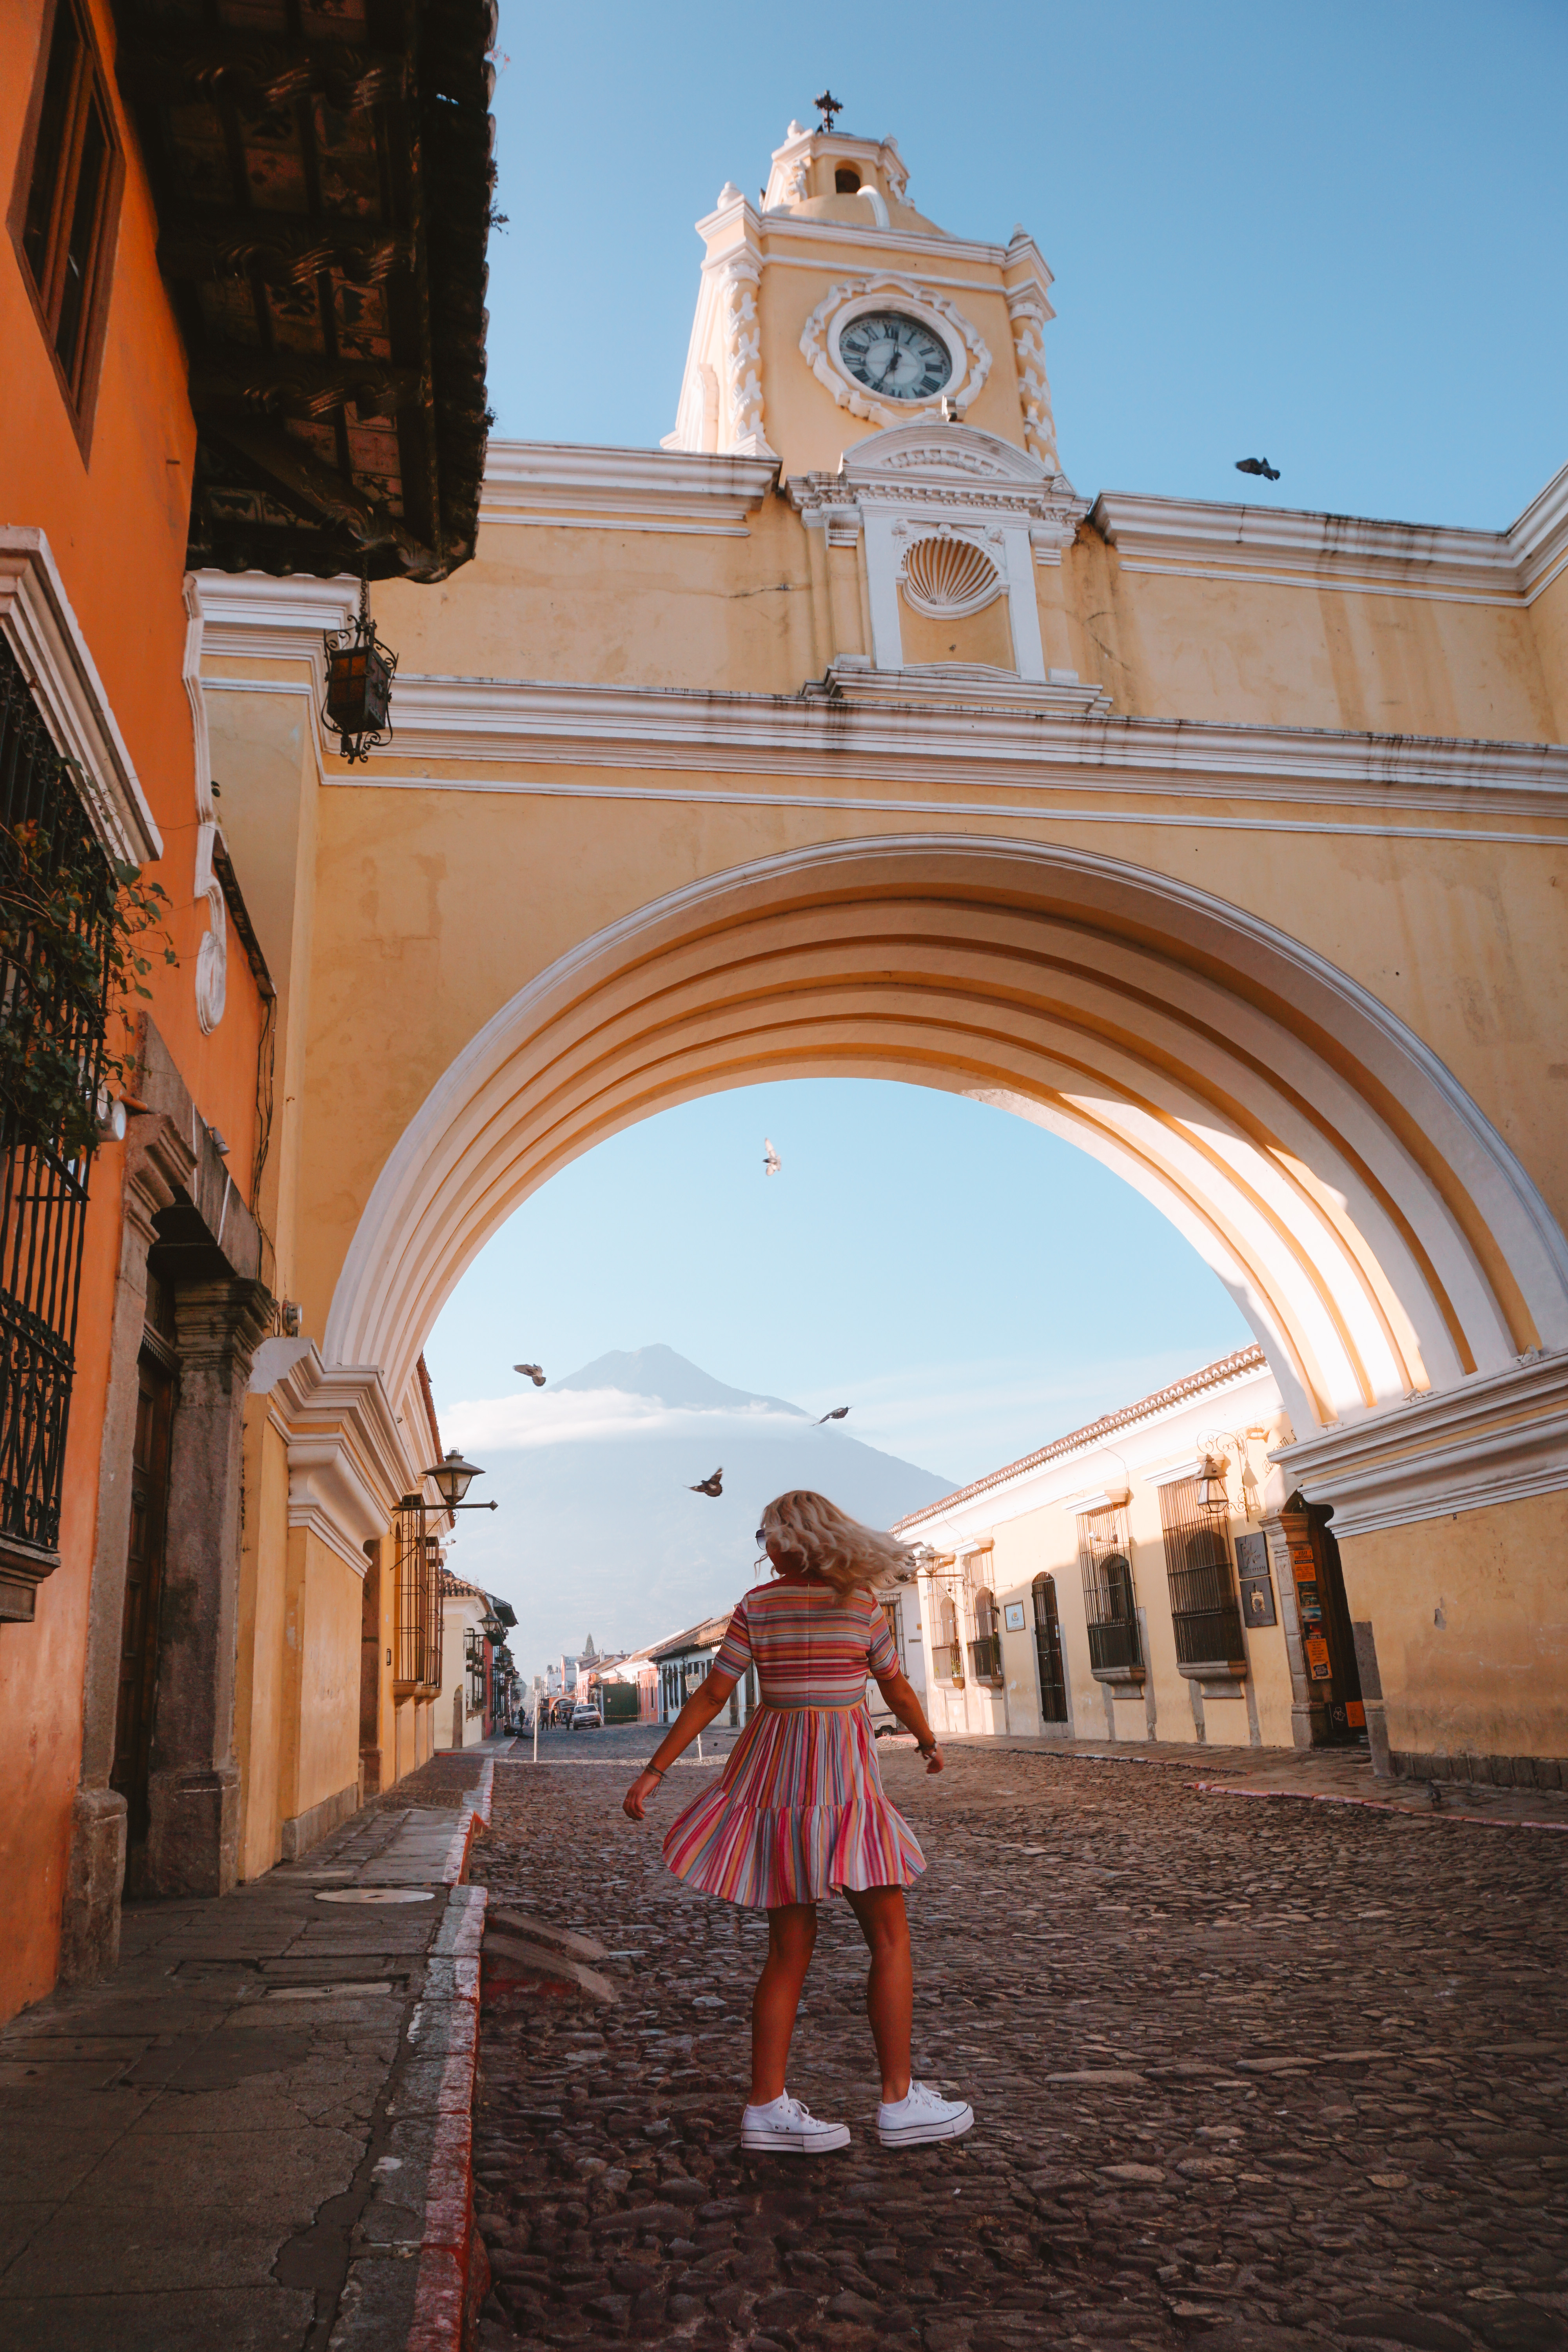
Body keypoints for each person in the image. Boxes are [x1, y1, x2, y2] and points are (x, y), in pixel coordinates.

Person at [622, 1489, 973, 2155]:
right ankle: (898, 2101)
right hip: (845, 1789)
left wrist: (655, 1771)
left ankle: (766, 2106)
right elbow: (894, 1687)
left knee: (787, 1951)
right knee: (891, 1941)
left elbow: (712, 1692)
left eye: (766, 1536)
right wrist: (926, 1740)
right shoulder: (863, 1606)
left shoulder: (756, 1609)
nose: (764, 1548)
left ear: (790, 1541)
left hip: (776, 1785)